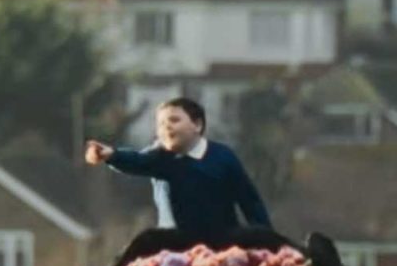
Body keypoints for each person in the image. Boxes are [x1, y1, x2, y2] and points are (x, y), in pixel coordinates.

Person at [83, 98, 271, 245]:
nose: (167, 126)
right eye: (161, 123)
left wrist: (266, 239)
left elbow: (249, 201)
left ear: (197, 125)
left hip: (220, 249)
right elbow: (137, 161)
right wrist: (111, 155)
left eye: (174, 120)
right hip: (173, 250)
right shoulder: (159, 157)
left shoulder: (222, 157)